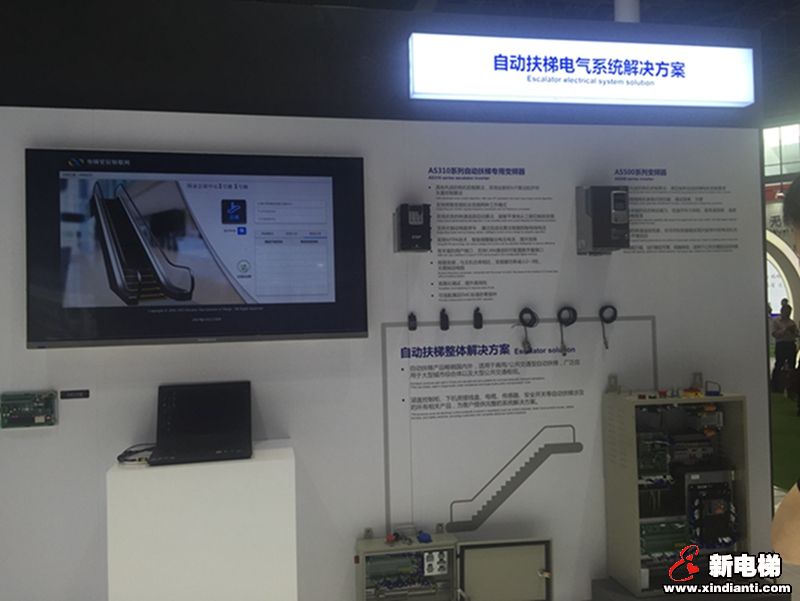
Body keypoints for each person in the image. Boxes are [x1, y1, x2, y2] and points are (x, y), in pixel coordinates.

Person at [771, 303, 799, 393]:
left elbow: (797, 334)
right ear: (782, 311)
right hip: (781, 345)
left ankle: (791, 386)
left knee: (792, 365)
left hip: (790, 344)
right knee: (779, 364)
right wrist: (785, 329)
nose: (788, 314)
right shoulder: (776, 321)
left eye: (789, 312)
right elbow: (775, 334)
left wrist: (793, 331)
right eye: (786, 312)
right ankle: (775, 386)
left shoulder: (792, 322)